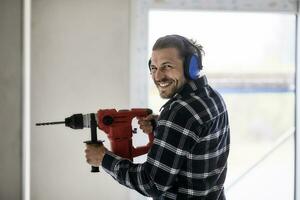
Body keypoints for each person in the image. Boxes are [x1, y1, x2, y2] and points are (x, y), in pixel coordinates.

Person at [85, 34, 230, 199]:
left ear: (191, 67)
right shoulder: (213, 96)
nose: (158, 77)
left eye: (167, 66)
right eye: (153, 68)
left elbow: (151, 184)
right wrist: (161, 123)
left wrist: (103, 158)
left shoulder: (179, 113)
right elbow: (196, 136)